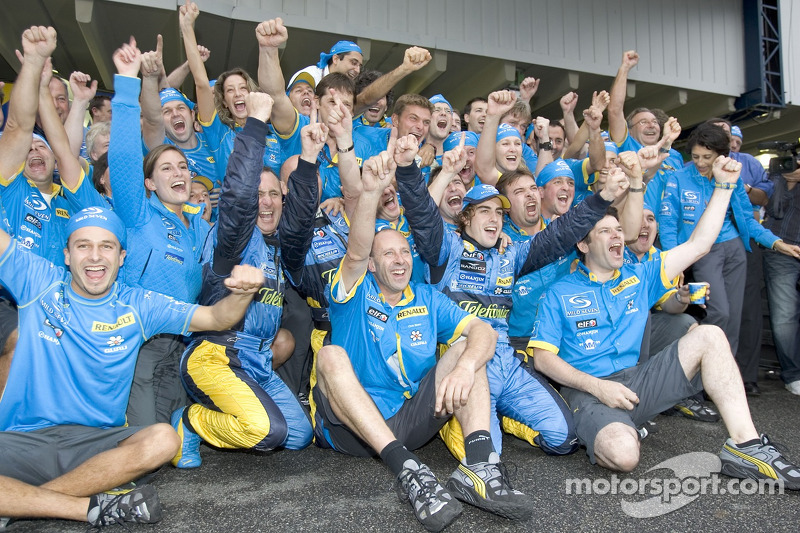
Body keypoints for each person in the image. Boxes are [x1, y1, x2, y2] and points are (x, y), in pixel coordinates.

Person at [529, 156, 800, 486]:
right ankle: (614, 430)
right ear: (583, 244)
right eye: (605, 231)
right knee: (624, 456)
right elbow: (542, 358)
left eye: (618, 230)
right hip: (588, 390)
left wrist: (725, 186)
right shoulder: (561, 291)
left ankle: (745, 446)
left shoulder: (639, 275)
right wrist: (598, 387)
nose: (617, 236)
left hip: (640, 382)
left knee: (710, 335)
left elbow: (700, 244)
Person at [312, 142, 533, 532]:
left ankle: (479, 467)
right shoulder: (352, 290)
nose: (399, 260)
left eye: (404, 253)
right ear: (373, 265)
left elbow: (482, 330)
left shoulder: (426, 297)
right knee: (329, 356)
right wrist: (370, 193)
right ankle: (409, 472)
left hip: (409, 418)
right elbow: (358, 249)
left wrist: (465, 366)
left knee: (470, 345)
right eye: (388, 255)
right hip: (351, 431)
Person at [0, 206, 266, 527]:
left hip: (96, 446)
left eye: (106, 246)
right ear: (67, 255)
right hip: (23, 440)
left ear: (122, 256)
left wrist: (243, 294)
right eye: (83, 245)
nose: (95, 256)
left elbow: (216, 318)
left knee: (164, 440)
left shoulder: (138, 304)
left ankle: (20, 504)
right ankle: (80, 507)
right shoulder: (38, 280)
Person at [396, 128, 630, 460]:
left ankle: (507, 418)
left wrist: (600, 200)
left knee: (564, 440)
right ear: (466, 216)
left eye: (499, 213)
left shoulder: (512, 253)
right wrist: (407, 170)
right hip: (466, 364)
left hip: (507, 361)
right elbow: (421, 214)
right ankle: (476, 424)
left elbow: (560, 236)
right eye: (484, 211)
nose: (494, 219)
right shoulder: (445, 248)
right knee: (484, 458)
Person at [172, 92, 319, 468]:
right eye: (258, 195)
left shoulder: (277, 247)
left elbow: (301, 224)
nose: (265, 202)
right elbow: (237, 199)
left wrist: (308, 162)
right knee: (266, 432)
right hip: (214, 356)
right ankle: (190, 421)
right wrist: (255, 124)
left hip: (254, 359)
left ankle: (234, 410)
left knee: (300, 436)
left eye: (273, 195)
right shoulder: (232, 242)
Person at [109, 37, 212, 426]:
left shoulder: (199, 228)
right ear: (149, 183)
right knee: (145, 439)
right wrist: (126, 84)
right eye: (166, 168)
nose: (178, 173)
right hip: (140, 342)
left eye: (182, 167)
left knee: (172, 442)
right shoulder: (138, 212)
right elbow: (122, 157)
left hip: (181, 345)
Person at [658, 123, 800, 370]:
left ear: (721, 156)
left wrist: (776, 243)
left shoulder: (731, 177)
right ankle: (693, 362)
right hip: (702, 253)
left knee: (733, 318)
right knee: (720, 312)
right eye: (695, 156)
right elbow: (668, 222)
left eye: (707, 157)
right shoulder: (678, 178)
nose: (700, 162)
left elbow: (746, 219)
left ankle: (723, 372)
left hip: (734, 249)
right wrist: (673, 262)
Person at [763, 164, 800, 396]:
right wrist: (789, 182)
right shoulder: (780, 172)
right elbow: (772, 207)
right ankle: (793, 374)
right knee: (785, 315)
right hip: (781, 248)